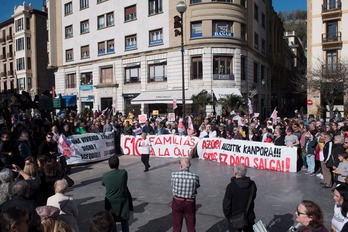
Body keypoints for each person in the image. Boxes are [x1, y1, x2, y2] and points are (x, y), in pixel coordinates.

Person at [222, 163, 257, 232]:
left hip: (235, 218)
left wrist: (228, 216)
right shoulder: (252, 184)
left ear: (235, 173)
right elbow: (253, 197)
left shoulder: (231, 187)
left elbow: (226, 205)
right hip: (248, 216)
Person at [102, 156, 131, 232]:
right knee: (124, 221)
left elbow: (103, 184)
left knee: (112, 221)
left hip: (110, 202)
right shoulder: (123, 173)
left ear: (109, 165)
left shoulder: (105, 176)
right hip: (122, 200)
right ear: (118, 163)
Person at [171, 158, 200, 232]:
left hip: (177, 201)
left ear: (181, 165)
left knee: (176, 225)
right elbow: (197, 186)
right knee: (191, 224)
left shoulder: (174, 175)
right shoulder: (195, 176)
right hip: (190, 202)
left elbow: (172, 185)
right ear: (189, 165)